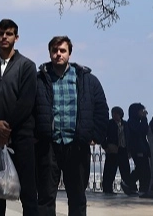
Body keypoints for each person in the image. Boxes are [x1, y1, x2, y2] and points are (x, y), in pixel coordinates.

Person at [35, 35, 109, 215]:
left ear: (69, 53)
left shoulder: (87, 80)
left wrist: (95, 136)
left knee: (77, 197)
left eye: (62, 50)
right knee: (45, 197)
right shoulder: (38, 80)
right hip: (48, 146)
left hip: (76, 145)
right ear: (49, 53)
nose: (58, 54)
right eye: (55, 50)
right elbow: (28, 109)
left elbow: (101, 109)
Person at [0, 19, 38, 216]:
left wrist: (6, 129)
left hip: (21, 138)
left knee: (28, 194)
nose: (4, 37)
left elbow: (26, 102)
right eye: (1, 33)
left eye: (9, 33)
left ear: (16, 38)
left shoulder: (27, 66)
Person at [103, 106, 134, 195]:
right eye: (113, 113)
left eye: (116, 113)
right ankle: (107, 189)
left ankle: (129, 188)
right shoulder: (109, 123)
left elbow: (129, 137)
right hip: (113, 149)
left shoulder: (125, 124)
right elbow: (103, 135)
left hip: (123, 149)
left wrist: (129, 150)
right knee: (110, 170)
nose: (114, 115)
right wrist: (105, 146)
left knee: (125, 170)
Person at [126, 103, 152, 197]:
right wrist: (144, 119)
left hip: (142, 149)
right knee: (142, 169)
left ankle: (142, 189)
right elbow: (141, 131)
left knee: (143, 170)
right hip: (138, 149)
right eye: (141, 111)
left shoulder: (137, 122)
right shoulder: (132, 122)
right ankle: (129, 182)